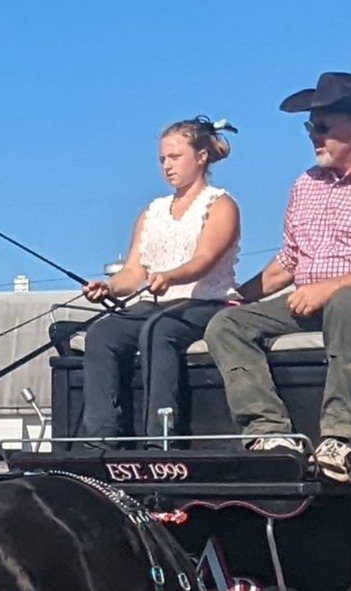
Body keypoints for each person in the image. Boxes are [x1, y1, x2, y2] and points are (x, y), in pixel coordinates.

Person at [204, 72, 351, 483]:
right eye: (310, 126)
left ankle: (339, 438)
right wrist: (236, 296)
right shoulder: (305, 185)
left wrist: (330, 287)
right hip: (309, 299)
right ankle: (269, 434)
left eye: (323, 126)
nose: (313, 135)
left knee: (348, 302)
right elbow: (289, 261)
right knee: (225, 324)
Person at [78, 116, 241, 444]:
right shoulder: (152, 211)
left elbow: (204, 260)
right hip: (157, 304)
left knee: (159, 331)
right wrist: (107, 287)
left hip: (206, 302)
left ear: (201, 156)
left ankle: (161, 438)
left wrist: (170, 276)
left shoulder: (220, 205)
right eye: (162, 159)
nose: (167, 166)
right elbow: (133, 273)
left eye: (175, 157)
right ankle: (102, 438)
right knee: (103, 332)